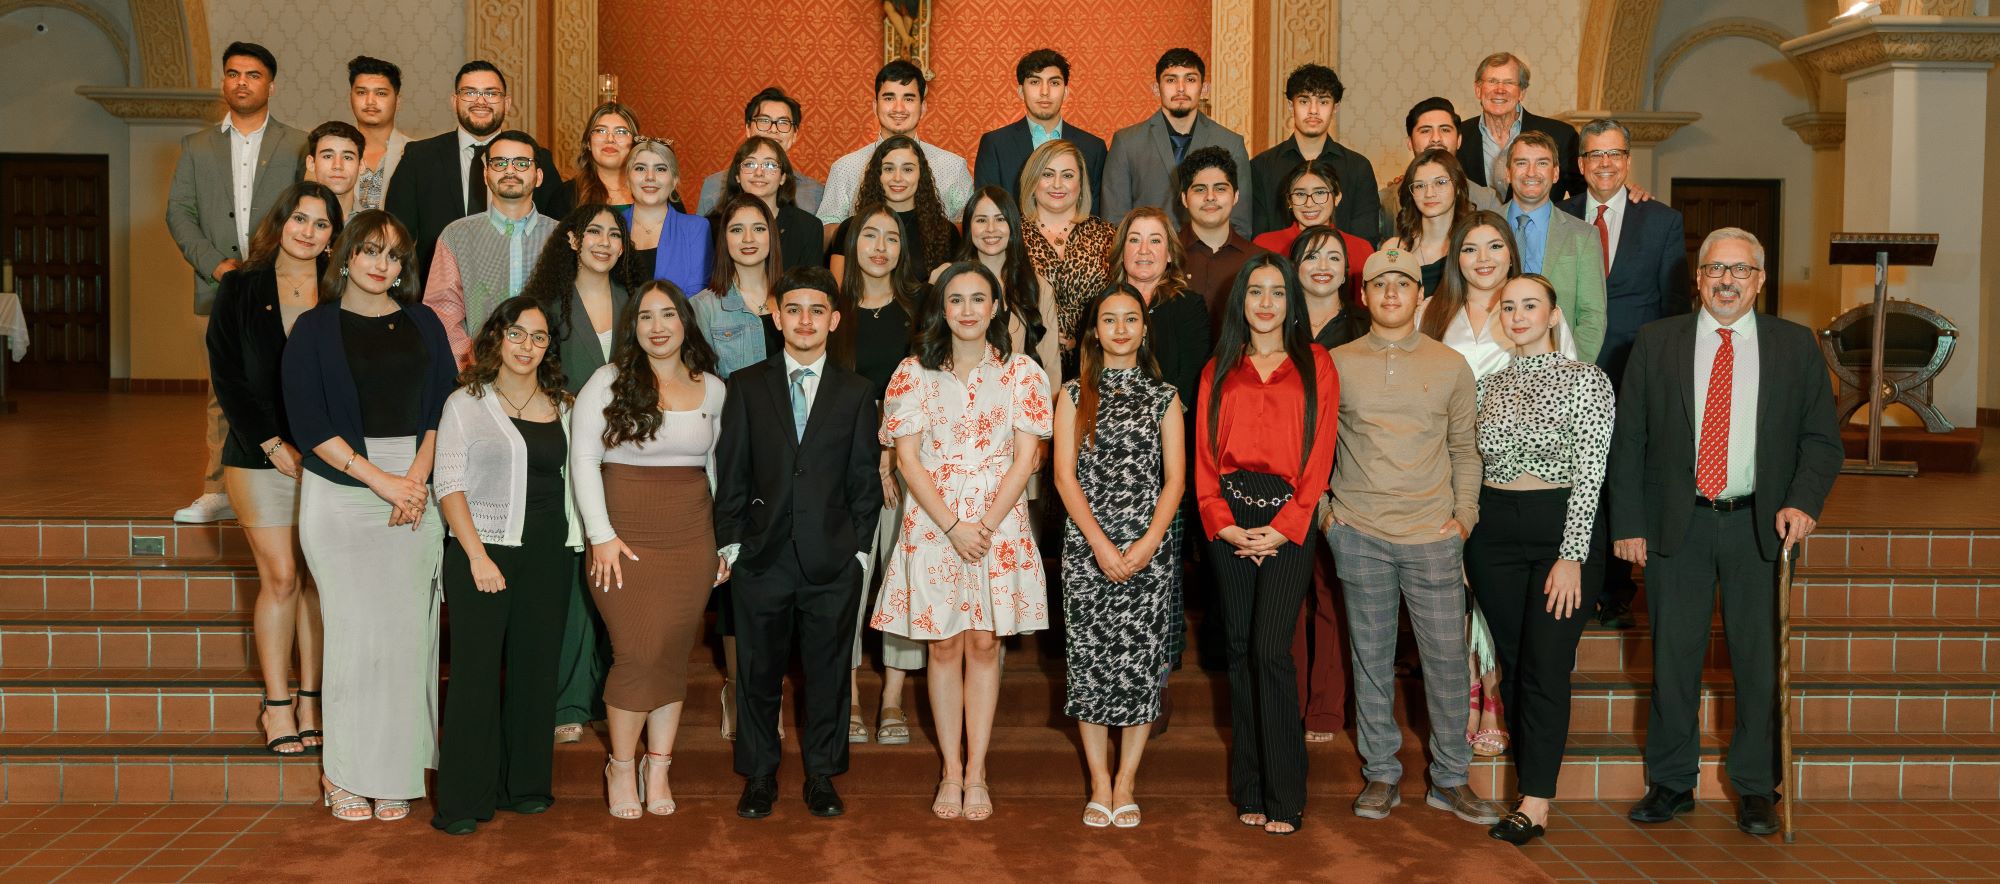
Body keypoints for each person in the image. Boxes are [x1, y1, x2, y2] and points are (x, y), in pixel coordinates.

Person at [1615, 228, 1842, 837]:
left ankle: (1754, 786)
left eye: (1741, 271)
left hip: (1760, 526)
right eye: (1716, 268)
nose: (1727, 280)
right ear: (1698, 276)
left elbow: (1821, 440)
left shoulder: (1794, 347)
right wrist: (1629, 523)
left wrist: (1802, 503)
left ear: (1761, 281)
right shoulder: (1657, 341)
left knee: (1757, 660)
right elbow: (1629, 438)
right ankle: (1670, 781)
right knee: (1672, 658)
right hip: (1677, 524)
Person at [282, 210, 456, 822]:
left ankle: (396, 773)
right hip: (343, 489)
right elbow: (310, 426)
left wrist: (415, 480)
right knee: (354, 640)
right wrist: (382, 480)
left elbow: (443, 409)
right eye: (371, 252)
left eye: (394, 256)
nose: (383, 265)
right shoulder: (313, 328)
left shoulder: (424, 322)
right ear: (347, 256)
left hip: (415, 485)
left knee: (409, 641)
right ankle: (345, 774)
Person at [1327, 247, 1503, 827]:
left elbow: (1464, 450)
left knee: (1448, 660)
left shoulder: (1451, 365)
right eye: (1380, 285)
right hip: (1361, 531)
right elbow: (1316, 449)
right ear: (1364, 295)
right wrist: (1330, 519)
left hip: (1433, 533)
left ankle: (1450, 779)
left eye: (1403, 283)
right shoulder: (1337, 363)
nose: (1392, 293)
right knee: (1371, 659)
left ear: (1420, 296)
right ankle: (1381, 773)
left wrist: (1464, 519)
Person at [871, 262, 1052, 822]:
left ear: (996, 307)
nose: (968, 309)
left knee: (985, 644)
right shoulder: (912, 373)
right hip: (933, 522)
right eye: (957, 300)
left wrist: (986, 524)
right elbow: (907, 459)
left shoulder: (1023, 372)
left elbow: (1026, 458)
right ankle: (950, 770)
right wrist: (953, 525)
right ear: (942, 309)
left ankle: (978, 772)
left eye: (979, 298)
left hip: (999, 521)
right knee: (943, 645)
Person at [714, 269, 885, 820]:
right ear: (776, 315)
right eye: (794, 309)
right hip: (762, 560)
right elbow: (732, 475)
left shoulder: (857, 393)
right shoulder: (745, 386)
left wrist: (858, 551)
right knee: (757, 674)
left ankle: (822, 775)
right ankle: (760, 775)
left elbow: (865, 481)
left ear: (834, 321)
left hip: (831, 560)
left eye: (817, 310)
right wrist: (734, 548)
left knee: (829, 673)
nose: (805, 320)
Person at [1464, 274, 1614, 845]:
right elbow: (1473, 468)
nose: (1519, 315)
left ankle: (1536, 801)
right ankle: (1532, 785)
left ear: (1553, 316)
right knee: (1515, 663)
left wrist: (1572, 555)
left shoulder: (1587, 381)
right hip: (1495, 537)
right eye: (1510, 307)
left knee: (1547, 665)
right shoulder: (1488, 385)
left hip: (1561, 533)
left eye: (1531, 305)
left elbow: (1592, 474)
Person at [568, 280, 727, 819]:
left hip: (691, 541)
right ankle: (619, 764)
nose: (657, 327)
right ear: (633, 328)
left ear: (685, 322)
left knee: (671, 654)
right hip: (622, 540)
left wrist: (724, 544)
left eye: (667, 315)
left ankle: (657, 765)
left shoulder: (714, 389)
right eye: (644, 317)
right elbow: (583, 459)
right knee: (636, 653)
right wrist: (600, 535)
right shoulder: (607, 381)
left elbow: (716, 470)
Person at [1196, 254, 1338, 836]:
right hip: (1229, 516)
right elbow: (1205, 455)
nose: (1265, 303)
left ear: (1290, 302)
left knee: (1270, 652)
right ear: (1241, 302)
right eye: (1255, 292)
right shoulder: (1218, 368)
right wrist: (1223, 523)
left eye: (1277, 292)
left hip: (1288, 517)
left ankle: (1286, 792)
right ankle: (1249, 787)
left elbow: (1322, 450)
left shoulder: (1317, 365)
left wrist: (1286, 525)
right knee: (1237, 649)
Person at [430, 297, 583, 835]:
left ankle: (525, 786)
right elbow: (448, 484)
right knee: (474, 674)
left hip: (549, 552)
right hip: (484, 551)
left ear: (549, 348)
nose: (526, 346)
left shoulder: (564, 405)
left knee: (535, 670)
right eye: (517, 333)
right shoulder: (465, 403)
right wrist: (476, 556)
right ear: (496, 337)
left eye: (538, 337)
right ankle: (464, 801)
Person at [205, 182, 342, 758]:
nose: (308, 231)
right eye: (299, 219)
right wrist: (268, 442)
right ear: (280, 221)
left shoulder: (340, 292)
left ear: (334, 237)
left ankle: (313, 699)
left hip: (326, 457)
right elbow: (228, 375)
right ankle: (278, 703)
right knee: (282, 576)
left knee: (317, 579)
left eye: (321, 224)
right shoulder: (240, 286)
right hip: (256, 454)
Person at [1053, 288, 1185, 829]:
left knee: (1139, 668)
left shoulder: (1164, 396)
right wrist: (1102, 545)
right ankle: (1099, 783)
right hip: (1088, 550)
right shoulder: (1071, 393)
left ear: (1144, 329)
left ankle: (1127, 782)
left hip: (1148, 552)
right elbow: (1063, 476)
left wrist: (1148, 542)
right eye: (1110, 319)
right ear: (1095, 330)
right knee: (1090, 668)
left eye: (1131, 319)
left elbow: (1175, 479)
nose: (1122, 328)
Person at [166, 40, 306, 525]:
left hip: (286, 283)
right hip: (226, 286)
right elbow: (179, 212)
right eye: (232, 73)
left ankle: (299, 479)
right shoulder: (196, 145)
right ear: (223, 81)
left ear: (271, 84)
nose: (241, 82)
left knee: (293, 378)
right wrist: (216, 265)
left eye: (252, 74)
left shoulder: (297, 144)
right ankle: (216, 489)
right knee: (222, 389)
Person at [1557, 118, 1689, 629]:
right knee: (1575, 477)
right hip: (1572, 367)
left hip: (1636, 367)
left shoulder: (1660, 220)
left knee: (1622, 474)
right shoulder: (1561, 214)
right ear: (1581, 164)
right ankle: (1579, 578)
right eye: (1594, 156)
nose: (1605, 164)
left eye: (1615, 154)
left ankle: (1617, 588)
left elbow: (1674, 304)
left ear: (1628, 161)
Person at [517, 202, 636, 742]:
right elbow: (520, 377)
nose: (605, 242)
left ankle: (607, 695)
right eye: (595, 232)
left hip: (629, 455)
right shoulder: (544, 307)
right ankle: (565, 704)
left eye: (615, 234)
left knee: (618, 576)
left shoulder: (635, 304)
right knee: (571, 578)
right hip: (563, 455)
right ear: (571, 240)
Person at [834, 211, 927, 743]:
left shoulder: (917, 313)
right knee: (849, 578)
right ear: (853, 244)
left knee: (900, 576)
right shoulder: (832, 312)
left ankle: (892, 696)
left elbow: (921, 391)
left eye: (892, 238)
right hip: (843, 467)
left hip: (907, 468)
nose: (880, 246)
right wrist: (869, 456)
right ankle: (846, 692)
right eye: (869, 235)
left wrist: (890, 455)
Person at [384, 60, 570, 279]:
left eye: (491, 93)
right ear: (454, 101)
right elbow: (396, 234)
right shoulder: (419, 157)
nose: (481, 101)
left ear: (507, 103)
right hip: (436, 290)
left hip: (520, 292)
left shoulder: (535, 159)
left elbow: (558, 232)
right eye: (470, 93)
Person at [1287, 226, 1359, 743]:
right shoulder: (1274, 322)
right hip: (1281, 475)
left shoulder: (1361, 325)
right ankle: (1287, 700)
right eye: (1312, 256)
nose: (1323, 265)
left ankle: (1327, 709)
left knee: (1332, 593)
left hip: (1344, 472)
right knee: (1288, 596)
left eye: (1334, 256)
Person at [423, 130, 560, 366]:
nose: (510, 170)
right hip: (478, 374)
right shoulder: (456, 235)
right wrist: (470, 364)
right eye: (499, 163)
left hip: (548, 372)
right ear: (486, 174)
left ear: (538, 176)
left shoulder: (561, 237)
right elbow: (442, 311)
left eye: (521, 163)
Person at [1103, 48, 1252, 236]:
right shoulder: (1127, 143)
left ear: (1205, 88)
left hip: (1210, 259)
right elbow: (1114, 222)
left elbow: (1240, 223)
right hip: (1146, 259)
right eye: (1171, 80)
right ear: (1156, 88)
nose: (1180, 88)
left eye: (1190, 79)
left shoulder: (1231, 143)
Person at [1421, 211, 1579, 377]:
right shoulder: (1428, 311)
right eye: (1469, 249)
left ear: (1511, 253)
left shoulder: (1541, 312)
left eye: (1495, 246)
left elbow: (1569, 379)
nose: (1483, 258)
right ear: (1456, 258)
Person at [819, 60, 974, 230]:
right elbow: (825, 229)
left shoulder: (953, 166)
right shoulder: (845, 167)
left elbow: (968, 227)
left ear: (923, 107)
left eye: (908, 98)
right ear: (875, 106)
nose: (898, 108)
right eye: (889, 98)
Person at [1504, 131, 1607, 363]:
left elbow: (1592, 317)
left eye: (1542, 163)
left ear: (1556, 173)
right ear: (1508, 172)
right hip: (1492, 368)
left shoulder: (1584, 235)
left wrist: (1571, 371)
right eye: (1522, 163)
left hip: (1560, 370)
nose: (1531, 172)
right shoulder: (1484, 228)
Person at [1249, 64, 1380, 242]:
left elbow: (1366, 240)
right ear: (1290, 105)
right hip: (1279, 267)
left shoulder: (1358, 167)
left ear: (1335, 107)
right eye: (1304, 101)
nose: (1313, 110)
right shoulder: (1262, 166)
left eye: (1323, 101)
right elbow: (1257, 237)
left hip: (1343, 268)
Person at [973, 48, 1108, 208]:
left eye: (1054, 83)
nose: (1045, 92)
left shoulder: (1093, 148)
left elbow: (1095, 214)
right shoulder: (995, 144)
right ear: (1021, 91)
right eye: (1035, 82)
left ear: (1066, 92)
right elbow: (987, 208)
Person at [1018, 140, 1116, 359]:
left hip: (1096, 359)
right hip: (1028, 361)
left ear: (1081, 185)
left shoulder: (1108, 235)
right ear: (1033, 182)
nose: (1057, 184)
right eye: (1048, 174)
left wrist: (1082, 339)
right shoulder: (1010, 236)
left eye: (1068, 175)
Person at [946, 187, 1059, 375]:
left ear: (1013, 226)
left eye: (1000, 219)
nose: (991, 229)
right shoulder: (949, 282)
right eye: (981, 220)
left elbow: (1051, 365)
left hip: (1023, 400)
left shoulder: (1037, 287)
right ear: (969, 227)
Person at [1107, 208, 1209, 409]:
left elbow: (1192, 378)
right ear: (1122, 251)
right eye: (1134, 240)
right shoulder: (1099, 307)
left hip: (1169, 426)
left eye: (1155, 241)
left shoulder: (1189, 306)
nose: (1144, 250)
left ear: (1170, 253)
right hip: (1107, 425)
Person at [828, 135, 960, 280]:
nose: (897, 178)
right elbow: (838, 296)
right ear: (877, 174)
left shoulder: (945, 232)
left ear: (921, 175)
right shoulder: (851, 228)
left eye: (908, 169)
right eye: (889, 169)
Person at [1456, 52, 1583, 204]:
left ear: (1522, 92)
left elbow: (1582, 199)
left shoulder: (1562, 136)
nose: (1500, 89)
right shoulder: (1458, 136)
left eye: (1509, 82)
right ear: (1478, 90)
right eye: (1492, 81)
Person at [1377, 98, 1502, 238]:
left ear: (1459, 140)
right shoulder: (1385, 202)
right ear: (1410, 142)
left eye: (1445, 130)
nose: (1436, 138)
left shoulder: (1486, 200)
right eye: (1425, 131)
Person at [691, 194, 786, 377]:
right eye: (736, 230)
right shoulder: (703, 306)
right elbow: (702, 382)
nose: (748, 239)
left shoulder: (794, 297)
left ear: (772, 236)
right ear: (724, 239)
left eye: (758, 229)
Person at [1175, 147, 1268, 326]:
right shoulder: (1165, 256)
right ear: (1185, 199)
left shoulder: (1259, 261)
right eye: (1200, 189)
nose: (1210, 197)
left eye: (1220, 188)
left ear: (1236, 196)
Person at [697, 87, 825, 216]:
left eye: (783, 122)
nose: (773, 129)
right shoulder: (714, 185)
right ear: (748, 128)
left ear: (795, 134)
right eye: (764, 120)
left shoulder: (814, 192)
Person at [1250, 159, 1372, 292]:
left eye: (1320, 193)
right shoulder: (1264, 245)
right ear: (1289, 200)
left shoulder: (1360, 248)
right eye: (1300, 194)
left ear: (1337, 197)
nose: (1309, 203)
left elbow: (1363, 307)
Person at [709, 136, 825, 271]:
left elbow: (812, 286)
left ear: (782, 177)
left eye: (769, 165)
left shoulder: (808, 227)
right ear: (737, 176)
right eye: (749, 164)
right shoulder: (713, 225)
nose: (759, 172)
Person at [1380, 149, 1475, 295]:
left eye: (1440, 182)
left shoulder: (1472, 246)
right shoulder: (1394, 249)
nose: (1429, 193)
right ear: (1411, 193)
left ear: (1457, 187)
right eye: (1419, 185)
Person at [623, 137, 711, 295]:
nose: (650, 177)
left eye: (661, 169)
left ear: (674, 180)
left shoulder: (696, 229)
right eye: (640, 168)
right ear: (628, 179)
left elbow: (698, 298)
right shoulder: (613, 226)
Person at [348, 55, 410, 214]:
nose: (370, 101)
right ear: (351, 98)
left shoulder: (416, 153)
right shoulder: (330, 153)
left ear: (398, 101)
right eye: (361, 92)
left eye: (381, 93)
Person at [573, 102, 640, 208]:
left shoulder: (655, 189)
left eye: (621, 132)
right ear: (588, 143)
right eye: (601, 130)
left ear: (634, 143)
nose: (610, 139)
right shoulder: (567, 195)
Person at [304, 121, 366, 217]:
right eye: (328, 156)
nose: (337, 165)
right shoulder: (288, 222)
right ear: (311, 163)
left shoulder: (374, 228)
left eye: (347, 157)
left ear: (361, 165)